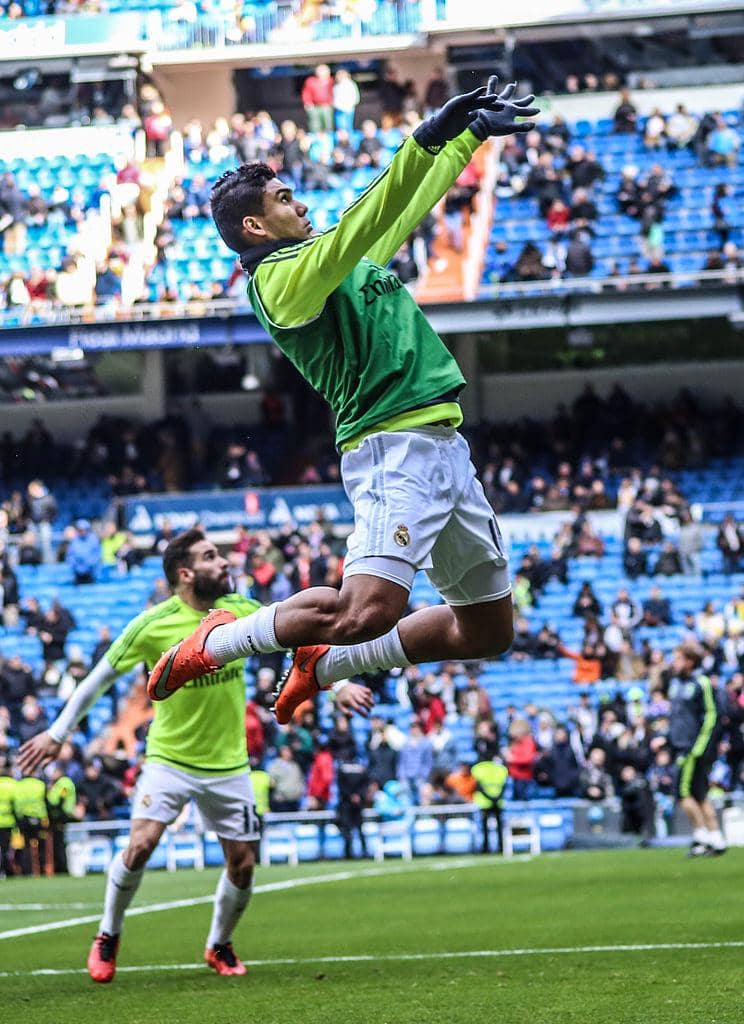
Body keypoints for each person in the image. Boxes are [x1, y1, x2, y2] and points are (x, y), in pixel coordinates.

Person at [147, 79, 539, 725]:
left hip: (444, 448)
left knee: (488, 632)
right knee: (365, 611)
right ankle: (214, 643)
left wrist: (465, 138)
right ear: (253, 225)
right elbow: (367, 217)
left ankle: (323, 664)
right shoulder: (281, 279)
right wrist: (425, 139)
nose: (297, 203)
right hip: (394, 448)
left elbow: (399, 211)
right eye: (283, 198)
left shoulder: (330, 263)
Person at [18, 527, 374, 980]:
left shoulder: (242, 610)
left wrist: (338, 684)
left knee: (242, 865)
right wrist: (58, 732)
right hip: (170, 760)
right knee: (141, 845)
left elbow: (299, 643)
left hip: (229, 764)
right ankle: (108, 933)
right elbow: (98, 679)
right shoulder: (151, 625)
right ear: (185, 573)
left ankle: (218, 945)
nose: (224, 563)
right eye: (211, 557)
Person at [668, 643, 726, 857]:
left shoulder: (701, 683)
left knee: (683, 792)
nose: (674, 663)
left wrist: (699, 746)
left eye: (678, 659)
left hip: (692, 748)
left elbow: (712, 715)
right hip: (680, 745)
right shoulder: (675, 684)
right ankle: (715, 838)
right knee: (699, 794)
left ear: (690, 661)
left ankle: (702, 836)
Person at [471, 755, 507, 853]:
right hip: (498, 801)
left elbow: (478, 786)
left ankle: (485, 847)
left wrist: (489, 797)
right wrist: (496, 797)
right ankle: (501, 846)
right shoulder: (501, 769)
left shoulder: (478, 768)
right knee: (499, 825)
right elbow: (504, 785)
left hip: (485, 802)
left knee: (485, 827)